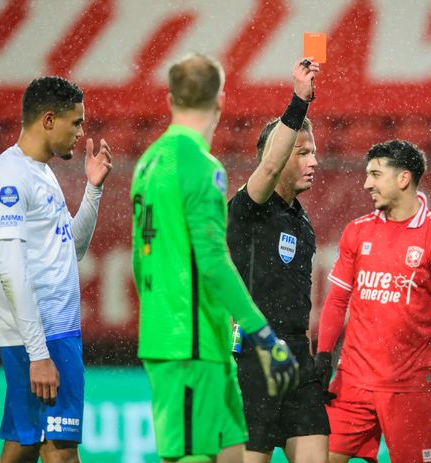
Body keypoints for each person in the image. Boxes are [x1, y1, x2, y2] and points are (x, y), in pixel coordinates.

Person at [130, 52, 299, 463]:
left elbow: (140, 258)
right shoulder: (201, 167)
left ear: (170, 99)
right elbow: (212, 260)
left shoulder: (147, 162)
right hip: (187, 344)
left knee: (230, 454)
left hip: (191, 339)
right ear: (221, 100)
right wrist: (263, 334)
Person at [314, 140, 431, 463]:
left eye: (376, 175)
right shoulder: (357, 232)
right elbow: (336, 300)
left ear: (403, 179)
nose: (367, 184)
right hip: (352, 384)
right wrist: (323, 357)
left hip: (410, 392)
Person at [0, 76, 113, 462]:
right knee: (62, 451)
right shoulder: (10, 177)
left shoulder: (40, 172)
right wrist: (39, 354)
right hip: (45, 336)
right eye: (76, 122)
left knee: (24, 445)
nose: (81, 132)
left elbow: (72, 249)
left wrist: (93, 191)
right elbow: (11, 270)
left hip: (48, 335)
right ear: (49, 120)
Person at [227, 58, 329, 463]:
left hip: (297, 358)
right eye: (302, 152)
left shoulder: (301, 220)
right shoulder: (249, 207)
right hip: (254, 357)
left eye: (315, 152)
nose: (314, 161)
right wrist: (300, 100)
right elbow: (269, 165)